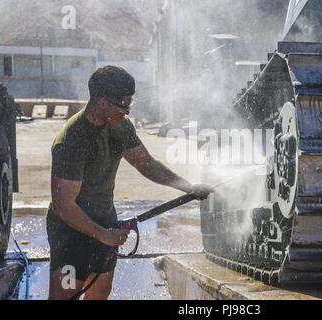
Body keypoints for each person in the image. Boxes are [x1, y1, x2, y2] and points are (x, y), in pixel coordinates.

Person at [47, 66, 213, 300]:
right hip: (71, 233)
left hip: (105, 221)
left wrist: (189, 187)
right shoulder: (72, 140)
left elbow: (146, 163)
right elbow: (64, 207)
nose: (127, 111)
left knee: (99, 294)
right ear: (103, 102)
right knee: (65, 296)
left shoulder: (120, 127)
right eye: (123, 104)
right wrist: (103, 234)